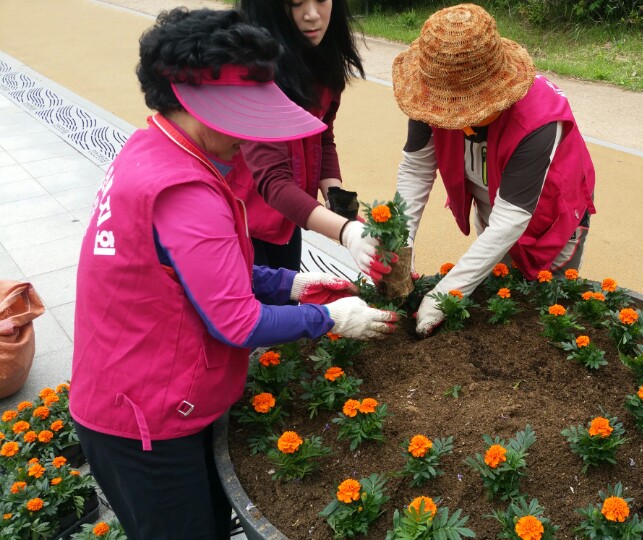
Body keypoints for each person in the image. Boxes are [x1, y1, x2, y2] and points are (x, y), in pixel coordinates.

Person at [69, 9, 397, 539]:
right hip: (145, 418)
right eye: (243, 114)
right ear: (195, 103)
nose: (250, 133)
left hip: (143, 389)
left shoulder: (154, 148)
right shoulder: (185, 191)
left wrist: (290, 284)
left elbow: (196, 270)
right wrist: (332, 318)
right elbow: (238, 323)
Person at [391, 3, 597, 336]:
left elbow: (511, 218)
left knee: (545, 311)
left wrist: (446, 294)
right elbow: (416, 170)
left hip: (549, 219)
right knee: (497, 294)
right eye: (445, 111)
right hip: (494, 205)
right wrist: (401, 246)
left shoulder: (539, 121)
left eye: (465, 112)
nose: (455, 122)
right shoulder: (428, 92)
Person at [234, 0, 389, 280]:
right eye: (296, 3)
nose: (312, 15)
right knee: (257, 299)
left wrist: (338, 201)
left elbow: (322, 134)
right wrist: (346, 232)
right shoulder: (252, 73)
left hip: (290, 215)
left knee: (289, 295)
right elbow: (273, 180)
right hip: (238, 217)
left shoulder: (321, 58)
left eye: (321, 0)